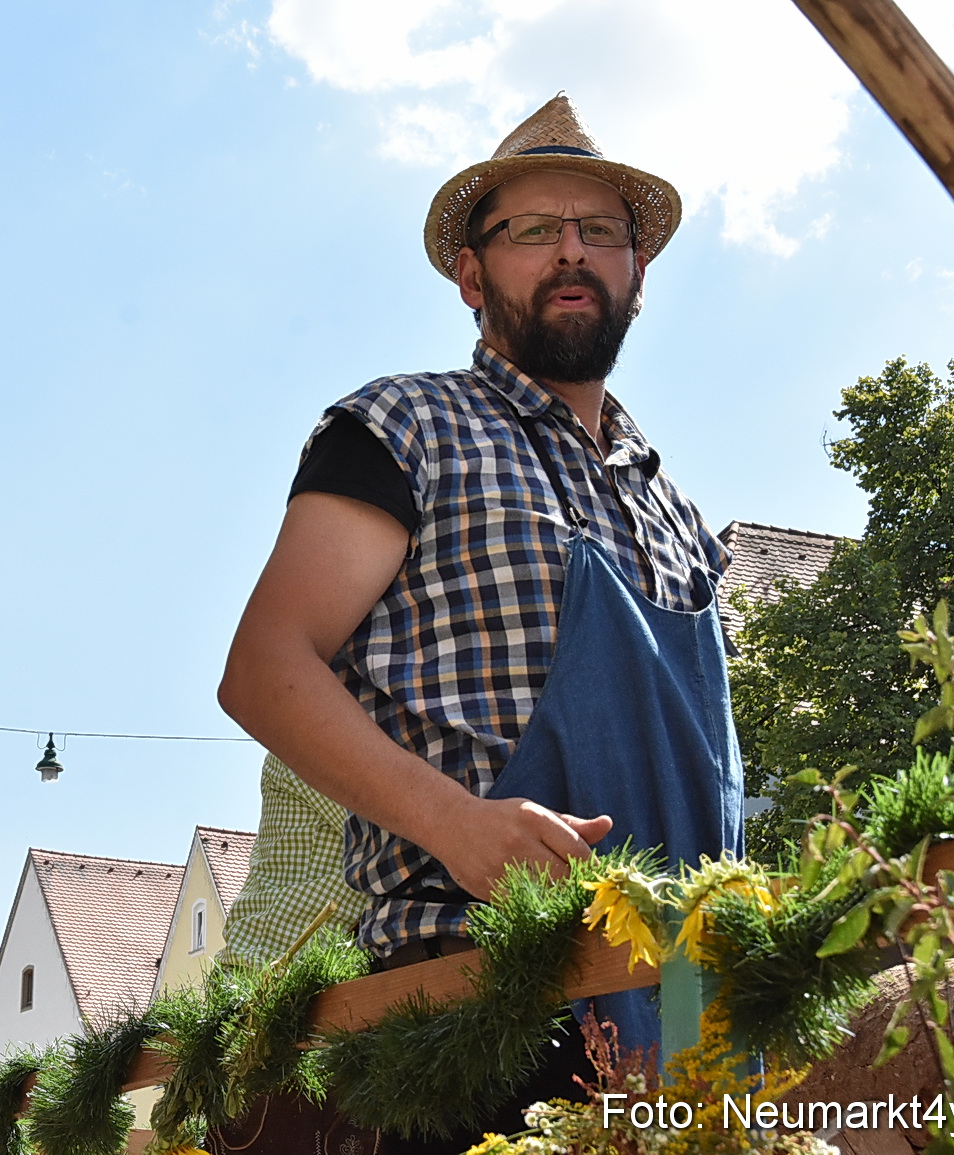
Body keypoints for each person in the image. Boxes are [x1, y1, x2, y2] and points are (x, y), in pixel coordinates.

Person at [216, 93, 744, 1130]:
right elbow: (266, 668)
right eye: (533, 229)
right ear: (470, 274)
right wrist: (455, 826)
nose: (571, 251)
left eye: (599, 230)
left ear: (638, 271)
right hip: (477, 1005)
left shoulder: (676, 509)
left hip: (692, 1020)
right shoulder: (404, 426)